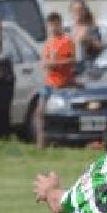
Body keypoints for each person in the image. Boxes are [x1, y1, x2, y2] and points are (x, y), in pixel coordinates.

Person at [35, 12, 77, 147]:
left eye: (55, 24)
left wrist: (57, 63)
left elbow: (72, 60)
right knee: (40, 112)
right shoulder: (48, 42)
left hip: (62, 83)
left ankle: (61, 140)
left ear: (60, 24)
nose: (53, 27)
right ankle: (41, 142)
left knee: (58, 113)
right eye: (51, 25)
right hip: (49, 82)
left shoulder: (66, 41)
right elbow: (44, 61)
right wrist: (47, 64)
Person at [69, 0, 103, 73]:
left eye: (80, 9)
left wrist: (88, 39)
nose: (78, 12)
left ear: (85, 11)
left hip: (87, 67)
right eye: (75, 10)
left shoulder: (91, 28)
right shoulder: (69, 30)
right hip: (72, 67)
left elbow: (101, 47)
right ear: (71, 12)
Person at [0, 13, 15, 137]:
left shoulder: (5, 38)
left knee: (2, 111)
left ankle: (3, 136)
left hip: (4, 82)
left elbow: (6, 54)